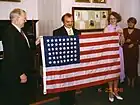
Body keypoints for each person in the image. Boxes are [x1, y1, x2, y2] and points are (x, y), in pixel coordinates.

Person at [0, 8, 33, 105]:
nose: (26, 21)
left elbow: (23, 48)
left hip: (23, 70)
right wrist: (20, 73)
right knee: (16, 99)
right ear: (16, 19)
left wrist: (35, 43)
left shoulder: (20, 31)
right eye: (24, 18)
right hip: (15, 73)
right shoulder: (9, 32)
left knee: (23, 97)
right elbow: (11, 55)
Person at [53, 13, 81, 105]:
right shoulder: (57, 32)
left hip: (74, 62)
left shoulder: (77, 32)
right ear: (63, 21)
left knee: (73, 82)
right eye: (67, 22)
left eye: (71, 21)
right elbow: (56, 48)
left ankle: (72, 100)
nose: (70, 23)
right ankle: (64, 102)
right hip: (63, 63)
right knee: (64, 83)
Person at [104, 11, 124, 102]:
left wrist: (121, 34)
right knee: (111, 73)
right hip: (110, 52)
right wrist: (113, 35)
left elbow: (122, 43)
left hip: (119, 51)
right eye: (111, 19)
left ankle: (116, 91)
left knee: (116, 72)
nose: (112, 20)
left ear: (117, 19)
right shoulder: (106, 29)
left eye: (114, 19)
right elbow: (105, 42)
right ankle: (110, 92)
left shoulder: (120, 28)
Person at [123, 17, 140, 88]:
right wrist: (125, 41)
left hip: (134, 51)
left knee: (133, 66)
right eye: (129, 22)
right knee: (126, 65)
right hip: (126, 50)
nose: (130, 24)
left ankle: (133, 81)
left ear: (134, 24)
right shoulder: (123, 30)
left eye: (132, 22)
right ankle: (128, 80)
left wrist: (133, 44)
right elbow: (120, 40)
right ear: (127, 22)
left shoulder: (138, 31)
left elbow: (139, 41)